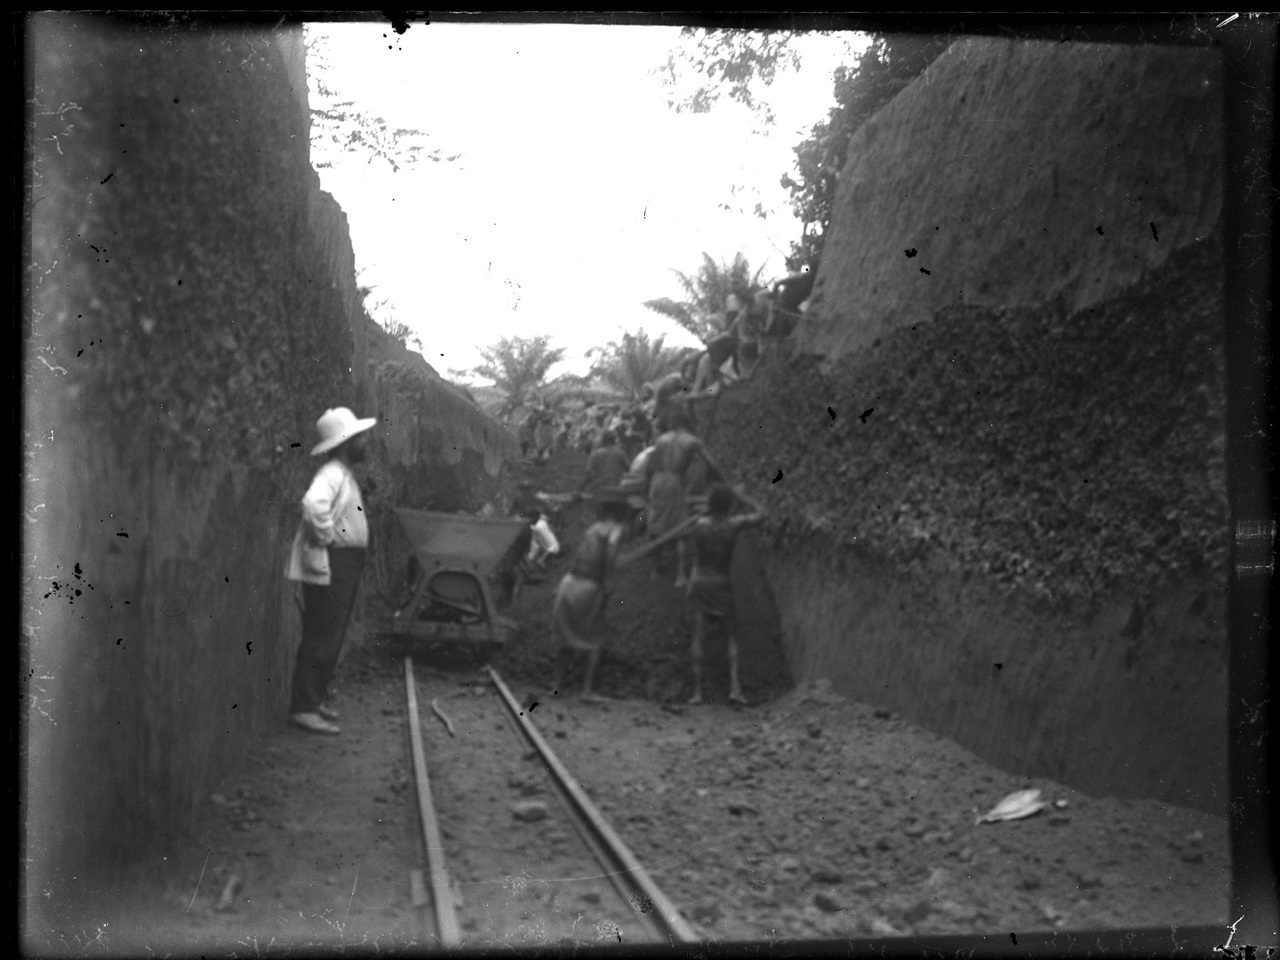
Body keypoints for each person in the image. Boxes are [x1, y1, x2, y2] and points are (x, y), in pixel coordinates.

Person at [285, 406, 378, 735]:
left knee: (331, 633)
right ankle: (304, 708)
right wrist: (326, 537)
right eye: (359, 437)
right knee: (323, 633)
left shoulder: (343, 474)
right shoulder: (332, 474)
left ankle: (313, 701)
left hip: (345, 561)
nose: (365, 442)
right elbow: (313, 505)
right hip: (335, 561)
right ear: (345, 443)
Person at [682, 482, 767, 706]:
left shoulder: (699, 525)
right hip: (721, 583)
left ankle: (697, 693)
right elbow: (762, 514)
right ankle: (735, 689)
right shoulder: (733, 524)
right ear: (729, 504)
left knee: (697, 635)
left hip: (700, 581)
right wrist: (742, 497)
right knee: (731, 636)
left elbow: (691, 546)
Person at [551, 490, 630, 702]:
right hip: (588, 586)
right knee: (595, 639)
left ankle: (557, 687)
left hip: (568, 583)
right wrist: (608, 582)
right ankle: (586, 691)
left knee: (566, 640)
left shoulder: (593, 528)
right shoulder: (615, 530)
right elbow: (610, 553)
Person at [644, 403, 719, 588]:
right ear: (687, 422)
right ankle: (680, 576)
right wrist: (722, 481)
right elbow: (712, 465)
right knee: (681, 528)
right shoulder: (692, 441)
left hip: (658, 480)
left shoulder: (661, 439)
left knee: (657, 523)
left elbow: (651, 465)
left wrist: (649, 485)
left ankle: (654, 571)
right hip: (675, 481)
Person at [577, 429, 631, 505]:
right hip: (618, 491)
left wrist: (580, 489)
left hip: (600, 491)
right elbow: (629, 470)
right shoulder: (620, 453)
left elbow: (589, 475)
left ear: (603, 441)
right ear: (614, 441)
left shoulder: (595, 454)